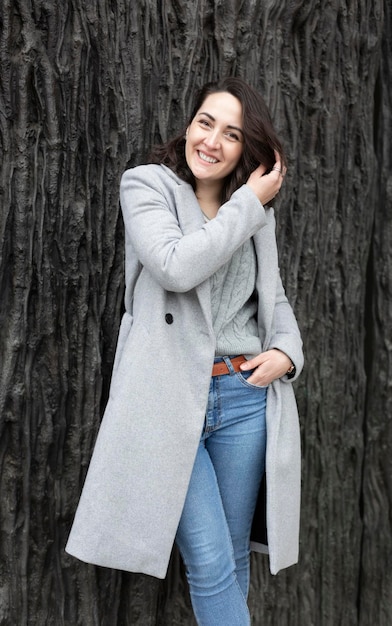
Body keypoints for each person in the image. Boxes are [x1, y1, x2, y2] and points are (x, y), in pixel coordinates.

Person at [66, 77, 303, 626]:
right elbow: (175, 266)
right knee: (212, 564)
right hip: (168, 399)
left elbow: (273, 298)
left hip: (243, 396)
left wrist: (287, 354)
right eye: (205, 123)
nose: (212, 141)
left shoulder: (254, 216)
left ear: (249, 150)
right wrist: (248, 203)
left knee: (234, 564)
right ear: (188, 125)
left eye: (232, 134)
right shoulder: (147, 186)